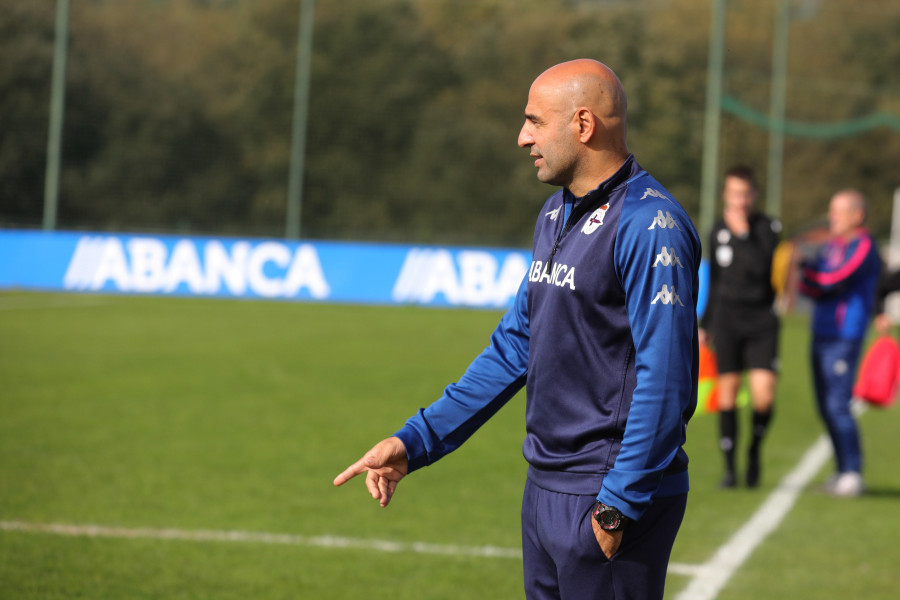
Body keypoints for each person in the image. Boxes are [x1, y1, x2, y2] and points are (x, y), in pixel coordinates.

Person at [333, 59, 701, 600]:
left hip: (608, 493)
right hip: (547, 487)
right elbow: (514, 348)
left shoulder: (650, 226)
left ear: (583, 125)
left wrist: (617, 508)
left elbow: (665, 380)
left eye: (534, 120)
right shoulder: (554, 213)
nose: (522, 136)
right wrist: (414, 442)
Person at [700, 166, 781, 489]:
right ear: (726, 195)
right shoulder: (716, 229)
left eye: (746, 194)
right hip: (727, 320)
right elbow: (716, 282)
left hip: (761, 320)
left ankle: (754, 450)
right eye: (735, 193)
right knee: (727, 396)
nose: (740, 200)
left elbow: (760, 270)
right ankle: (731, 470)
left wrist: (743, 234)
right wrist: (706, 324)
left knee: (763, 396)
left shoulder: (767, 227)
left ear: (754, 195)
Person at [798, 189, 881, 497]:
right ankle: (841, 469)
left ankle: (853, 471)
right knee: (824, 405)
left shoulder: (864, 245)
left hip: (845, 334)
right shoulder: (832, 245)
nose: (832, 217)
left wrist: (806, 269)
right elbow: (811, 285)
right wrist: (807, 272)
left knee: (837, 404)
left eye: (839, 211)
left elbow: (834, 278)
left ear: (857, 215)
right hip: (820, 330)